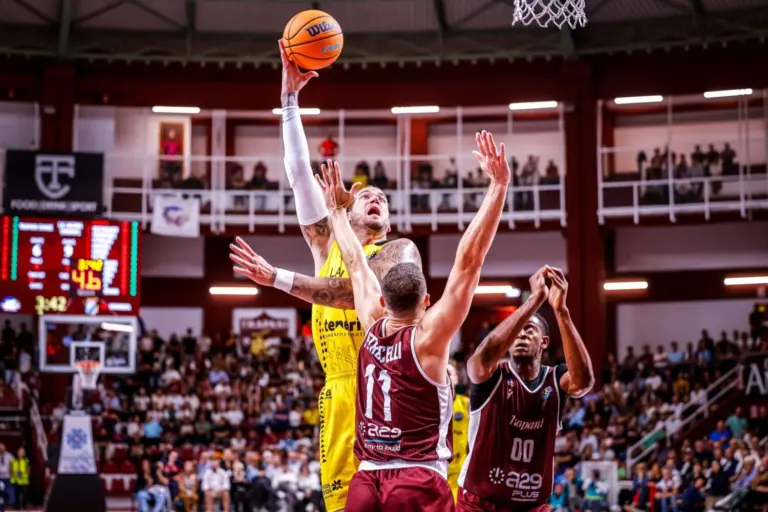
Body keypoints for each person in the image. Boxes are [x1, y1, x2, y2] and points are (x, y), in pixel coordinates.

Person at [228, 39, 422, 512]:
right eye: (366, 195)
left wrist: (277, 277)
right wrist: (289, 101)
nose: (376, 198)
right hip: (337, 390)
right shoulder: (326, 244)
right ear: (347, 210)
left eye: (383, 198)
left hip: (387, 387)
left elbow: (351, 292)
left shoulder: (398, 250)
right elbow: (298, 174)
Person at [315, 128, 511, 511]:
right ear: (427, 301)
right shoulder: (429, 339)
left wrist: (337, 210)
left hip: (366, 478)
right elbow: (469, 261)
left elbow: (355, 263)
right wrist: (498, 185)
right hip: (416, 477)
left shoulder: (372, 322)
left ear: (382, 299)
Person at [457, 266, 595, 512]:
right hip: (481, 503)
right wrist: (534, 300)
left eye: (529, 329)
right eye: (517, 330)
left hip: (531, 504)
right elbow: (480, 359)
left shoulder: (556, 378)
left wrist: (561, 311)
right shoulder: (491, 376)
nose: (521, 334)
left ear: (544, 342)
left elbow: (583, 383)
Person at [448, 362, 470, 502]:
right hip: (439, 468)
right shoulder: (430, 403)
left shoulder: (467, 403)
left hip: (459, 469)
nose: (446, 377)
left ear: (456, 378)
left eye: (449, 374)